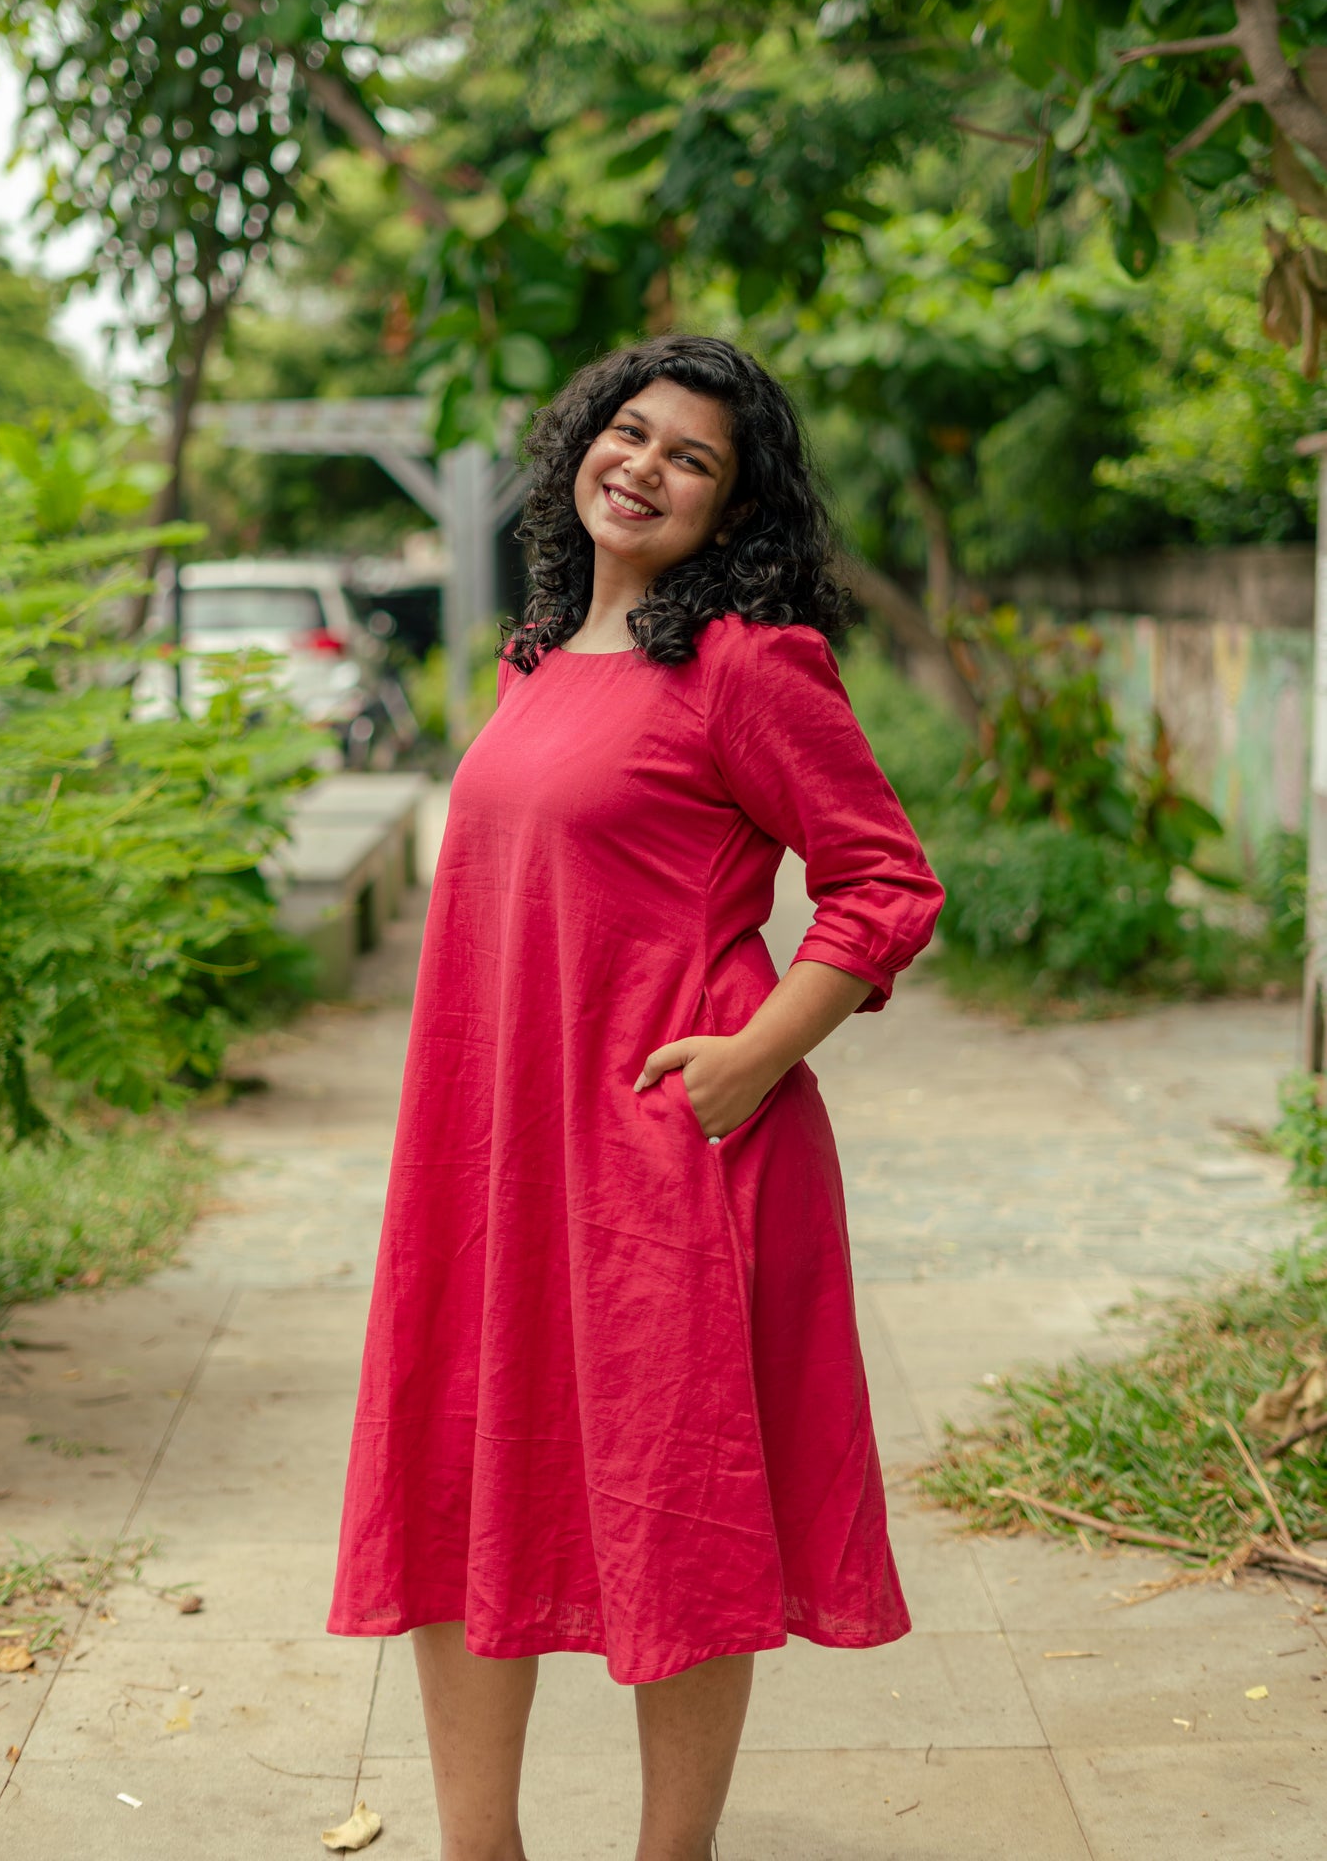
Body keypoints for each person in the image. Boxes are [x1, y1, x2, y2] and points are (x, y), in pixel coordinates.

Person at [330, 335, 944, 1861]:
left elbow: (883, 881)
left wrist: (760, 1050)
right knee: (469, 1478)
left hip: (666, 1156)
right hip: (494, 1152)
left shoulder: (746, 664)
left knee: (679, 1502)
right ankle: (485, 1850)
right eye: (628, 430)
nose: (644, 466)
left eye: (691, 459)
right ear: (577, 449)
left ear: (731, 514)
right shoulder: (534, 655)